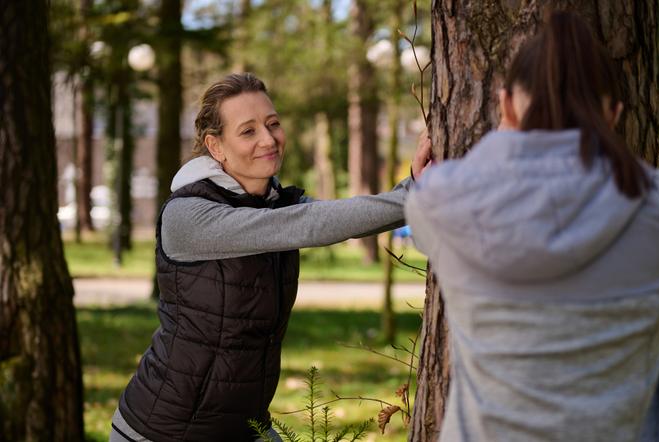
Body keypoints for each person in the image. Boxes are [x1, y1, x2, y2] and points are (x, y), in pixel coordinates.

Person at [109, 73, 432, 442]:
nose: (268, 139)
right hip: (164, 430)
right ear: (216, 146)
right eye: (247, 131)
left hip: (245, 425)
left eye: (273, 123)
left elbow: (342, 218)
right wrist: (422, 191)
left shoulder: (277, 202)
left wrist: (416, 183)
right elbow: (310, 225)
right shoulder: (189, 215)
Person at [405, 11, 659, 442]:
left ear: (506, 105)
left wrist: (504, 146)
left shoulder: (442, 203)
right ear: (615, 113)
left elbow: (432, 195)